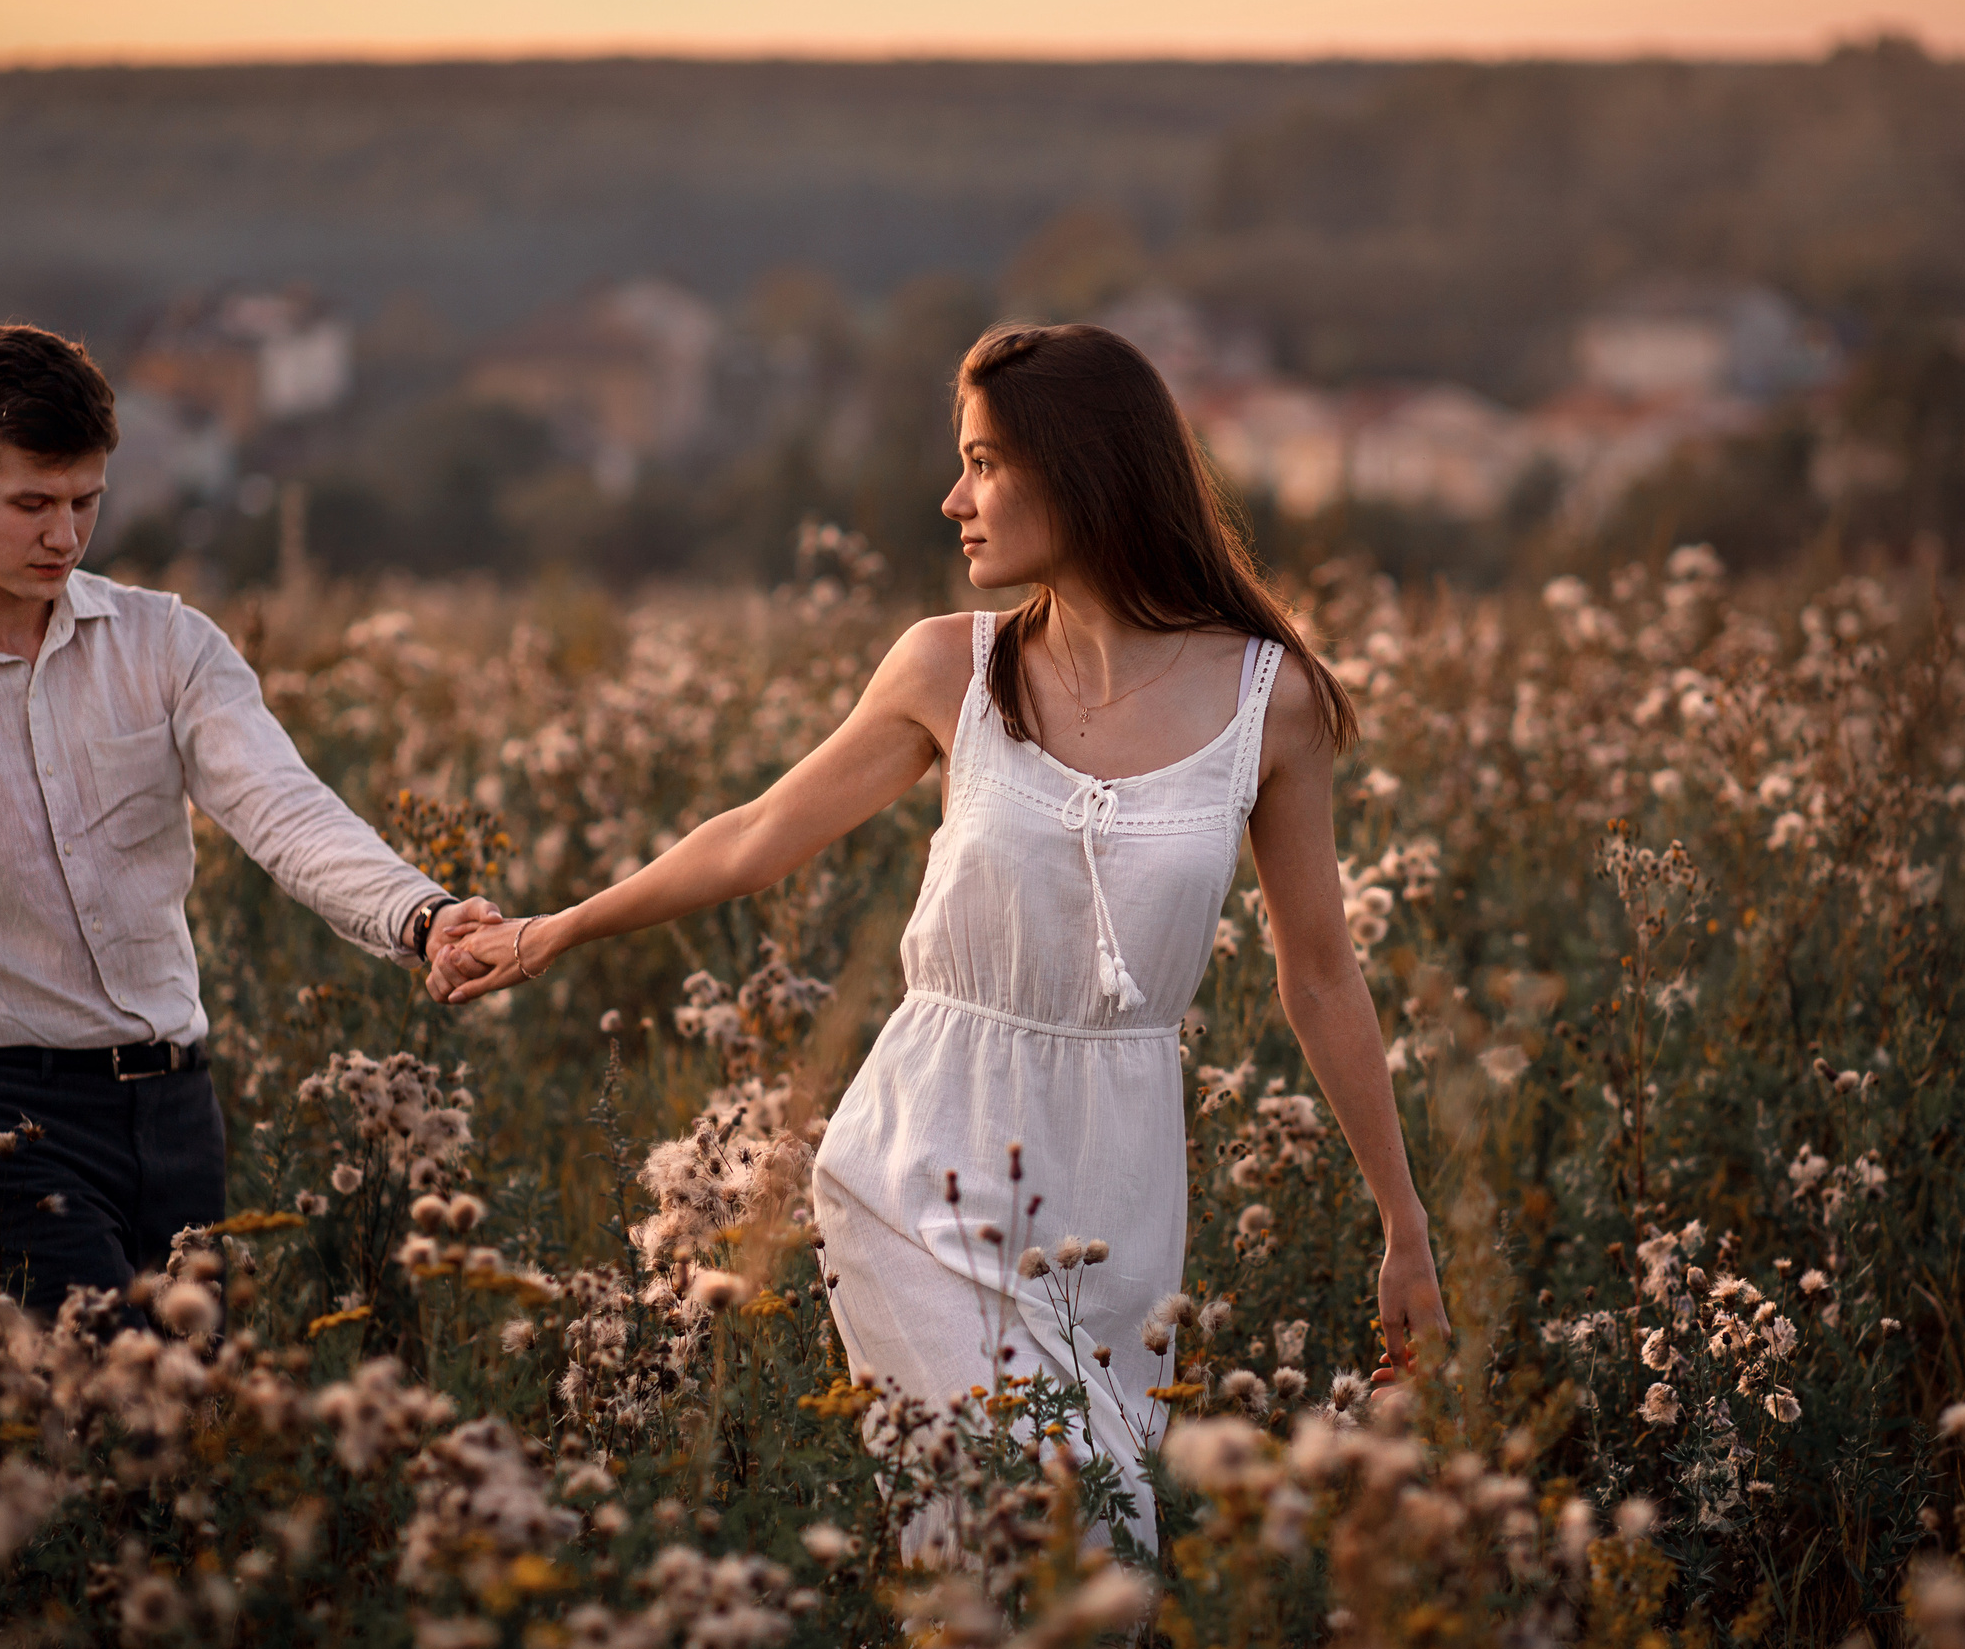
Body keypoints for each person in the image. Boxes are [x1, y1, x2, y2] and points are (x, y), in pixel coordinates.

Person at [432, 323, 1447, 1545]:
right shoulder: (945, 669)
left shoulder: (1269, 702)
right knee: (1011, 1527)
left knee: (1104, 1556)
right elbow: (757, 836)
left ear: (1079, 469)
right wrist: (555, 931)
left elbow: (1319, 975)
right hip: (916, 1169)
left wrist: (1404, 1225)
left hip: (1119, 1198)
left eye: (982, 462)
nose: (952, 498)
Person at [0, 322, 502, 1317]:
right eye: (30, 505)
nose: (63, 536)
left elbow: (284, 811)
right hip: (1, 1124)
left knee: (194, 1436)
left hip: (177, 1111)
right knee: (120, 1413)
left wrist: (423, 915)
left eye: (84, 503)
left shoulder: (168, 645)